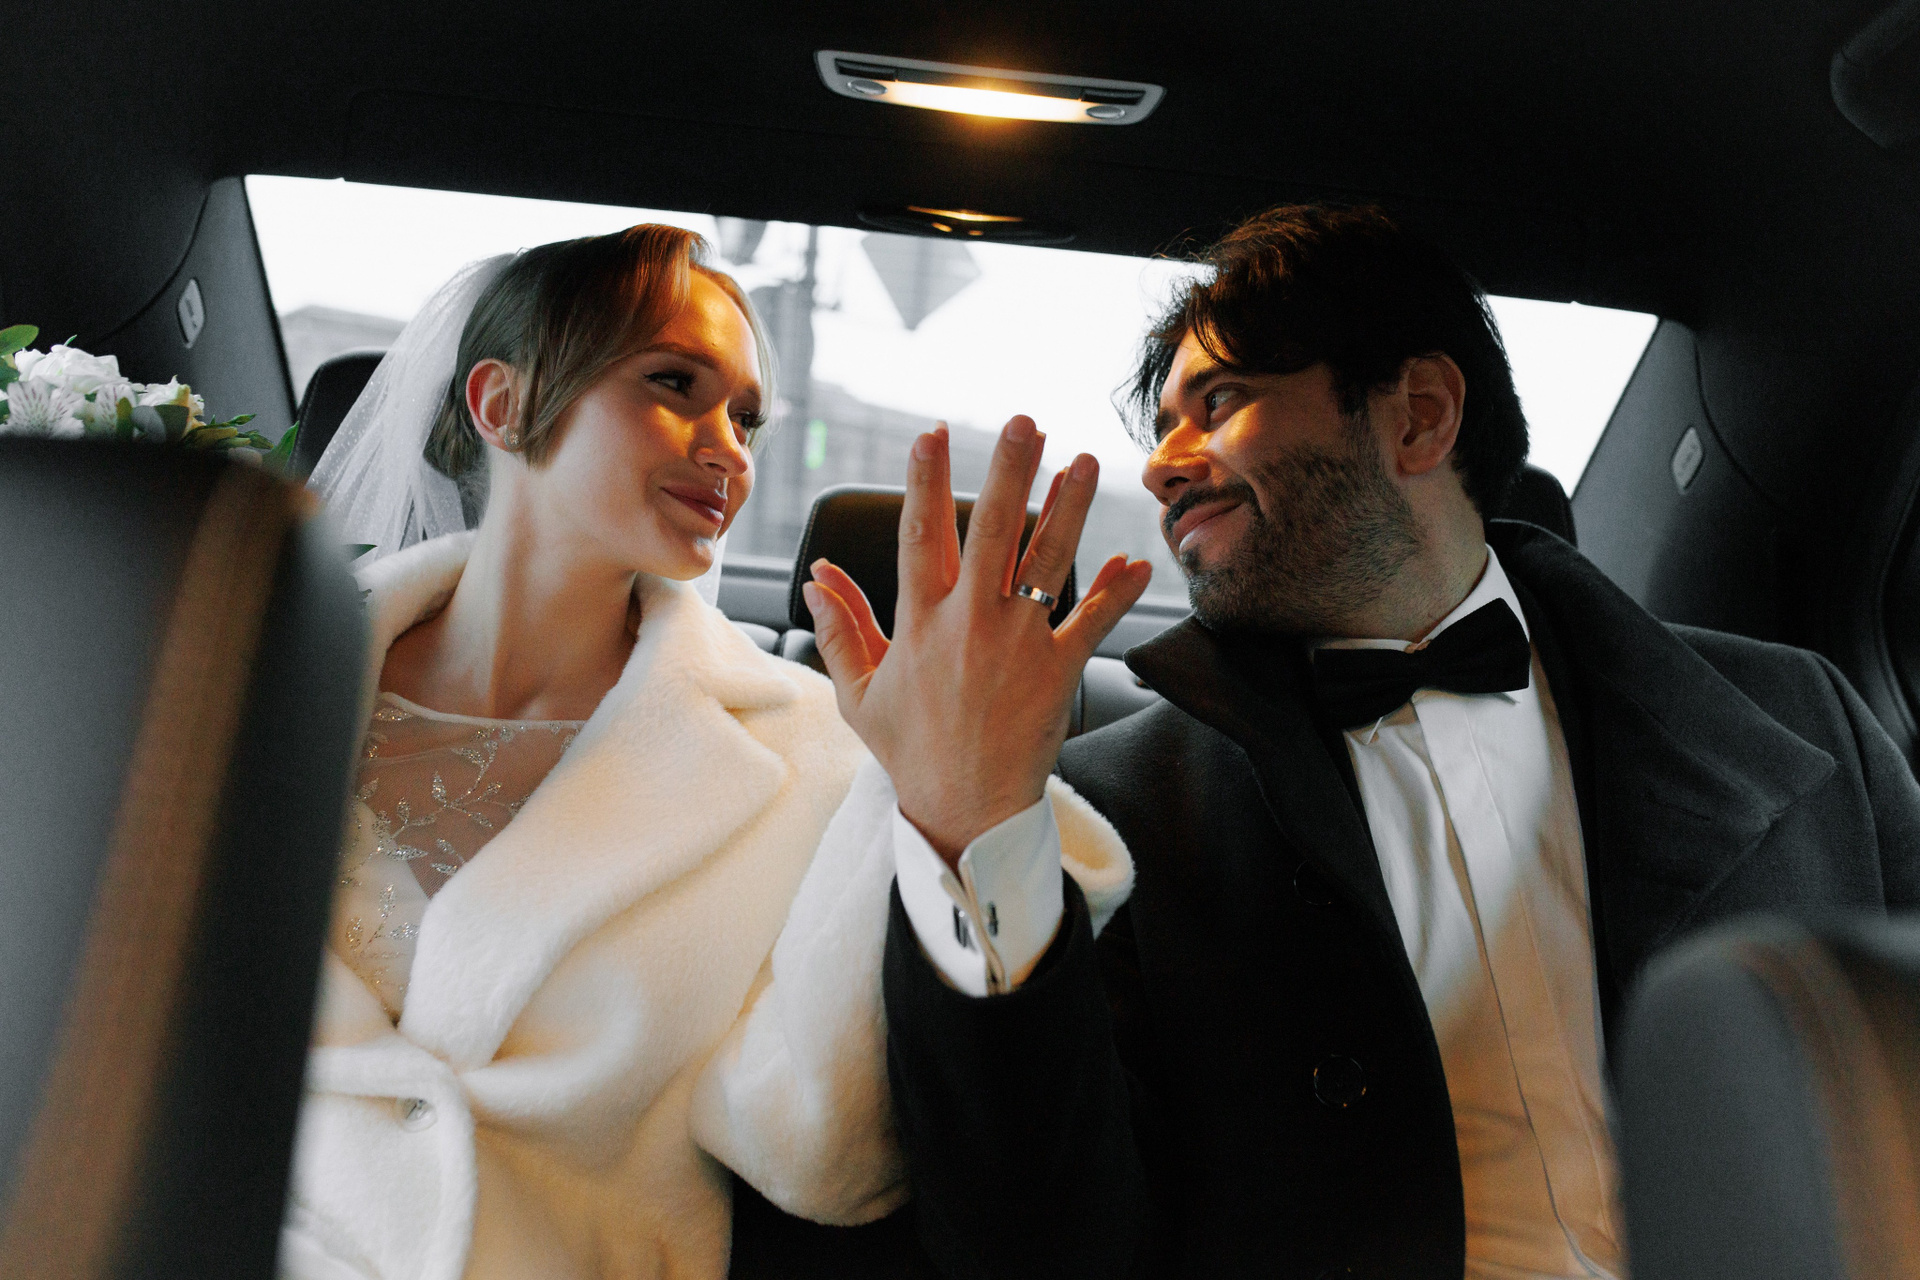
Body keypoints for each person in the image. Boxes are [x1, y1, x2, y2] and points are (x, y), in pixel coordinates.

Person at [803, 204, 1920, 1279]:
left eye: (1220, 400)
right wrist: (975, 816)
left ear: (1419, 415)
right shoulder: (1107, 811)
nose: (1162, 464)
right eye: (1162, 426)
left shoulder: (1797, 717)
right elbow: (1039, 1245)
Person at [279, 224, 1140, 1280]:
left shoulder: (813, 757)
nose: (730, 448)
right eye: (675, 383)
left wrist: (942, 794)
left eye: (746, 417)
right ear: (502, 404)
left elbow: (815, 1150)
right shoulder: (238, 688)